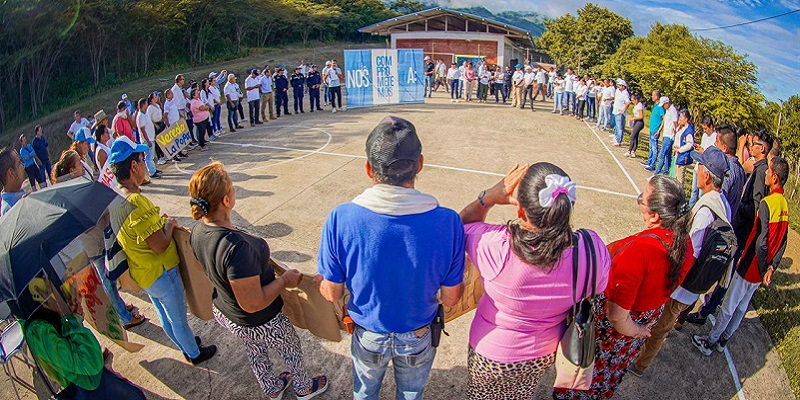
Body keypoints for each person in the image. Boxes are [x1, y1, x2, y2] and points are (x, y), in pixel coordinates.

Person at [316, 116, 465, 400]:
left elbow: (332, 292)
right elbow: (451, 298)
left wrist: (321, 282)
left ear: (369, 169)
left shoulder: (341, 217)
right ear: (420, 163)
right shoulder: (448, 221)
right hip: (418, 332)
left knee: (364, 392)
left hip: (368, 331)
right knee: (411, 393)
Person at [459, 163, 610, 399]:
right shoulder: (592, 251)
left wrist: (488, 198)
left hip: (491, 351)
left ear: (520, 211)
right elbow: (598, 286)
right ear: (568, 206)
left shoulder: (495, 246)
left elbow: (461, 227)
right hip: (544, 352)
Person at [186, 163, 329, 399]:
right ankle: (303, 388)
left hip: (227, 312)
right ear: (225, 200)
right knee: (289, 345)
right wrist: (283, 281)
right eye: (231, 187)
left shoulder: (198, 231)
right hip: (258, 318)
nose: (234, 191)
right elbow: (252, 303)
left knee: (255, 347)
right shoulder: (236, 248)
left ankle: (272, 389)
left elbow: (200, 266)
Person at [553, 175, 692, 400]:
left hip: (618, 328)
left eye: (643, 199)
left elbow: (617, 315)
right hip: (641, 322)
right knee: (610, 374)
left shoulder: (640, 251)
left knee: (586, 370)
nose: (639, 202)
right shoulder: (684, 242)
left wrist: (637, 330)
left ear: (655, 216)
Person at [109, 137, 217, 365]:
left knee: (164, 315)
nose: (144, 163)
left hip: (144, 273)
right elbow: (159, 244)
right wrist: (168, 225)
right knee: (177, 318)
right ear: (133, 167)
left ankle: (184, 344)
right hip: (162, 272)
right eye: (141, 159)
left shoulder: (116, 199)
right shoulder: (136, 201)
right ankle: (194, 353)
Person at [629, 147, 731, 376]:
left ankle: (640, 364)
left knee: (659, 328)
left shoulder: (705, 211)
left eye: (700, 165)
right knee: (665, 322)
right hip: (696, 287)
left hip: (682, 287)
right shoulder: (723, 204)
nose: (696, 168)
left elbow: (690, 254)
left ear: (706, 175)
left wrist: (669, 282)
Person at [692, 156, 789, 355]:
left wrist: (761, 267)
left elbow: (761, 242)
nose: (767, 175)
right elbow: (783, 241)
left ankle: (710, 342)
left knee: (729, 306)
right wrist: (771, 267)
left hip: (751, 265)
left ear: (776, 178)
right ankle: (724, 340)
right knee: (742, 306)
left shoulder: (767, 204)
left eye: (769, 172)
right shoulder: (784, 205)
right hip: (762, 268)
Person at [21, 278, 147, 399]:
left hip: (94, 383)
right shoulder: (39, 331)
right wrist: (72, 321)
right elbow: (89, 363)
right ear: (40, 298)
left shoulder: (47, 321)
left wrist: (73, 318)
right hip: (90, 388)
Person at [684, 126, 747, 324]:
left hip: (707, 243)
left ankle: (682, 315)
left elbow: (694, 251)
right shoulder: (739, 170)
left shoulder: (722, 179)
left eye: (717, 144)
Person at [688, 116, 718, 206]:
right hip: (698, 166)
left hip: (706, 169)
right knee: (694, 190)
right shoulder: (705, 136)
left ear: (711, 126)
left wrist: (703, 152)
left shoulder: (716, 138)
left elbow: (713, 155)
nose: (704, 131)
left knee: (701, 193)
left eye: (706, 128)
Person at [136, 98, 161, 179]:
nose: (147, 105)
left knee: (151, 156)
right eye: (146, 104)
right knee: (148, 157)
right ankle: (151, 172)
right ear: (143, 105)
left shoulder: (144, 113)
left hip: (150, 137)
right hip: (147, 140)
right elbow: (142, 130)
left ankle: (153, 169)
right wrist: (147, 140)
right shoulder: (140, 116)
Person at [653, 97, 679, 175]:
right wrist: (659, 131)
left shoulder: (673, 111)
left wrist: (676, 131)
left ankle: (657, 173)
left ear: (667, 103)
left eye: (664, 105)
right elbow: (664, 121)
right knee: (667, 155)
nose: (663, 107)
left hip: (670, 136)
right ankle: (665, 172)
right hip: (666, 134)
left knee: (662, 154)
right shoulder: (667, 110)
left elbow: (675, 123)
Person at [643, 91, 666, 171]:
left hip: (656, 130)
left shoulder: (660, 107)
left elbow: (664, 119)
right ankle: (649, 161)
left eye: (653, 95)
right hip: (652, 129)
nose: (652, 97)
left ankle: (653, 165)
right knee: (651, 146)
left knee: (654, 148)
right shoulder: (656, 105)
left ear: (657, 96)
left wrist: (659, 130)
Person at [0, 146, 26, 215]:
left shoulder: (18, 197)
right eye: (19, 163)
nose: (23, 166)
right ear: (11, 173)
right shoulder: (10, 211)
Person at [612, 79, 631, 146]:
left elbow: (628, 103)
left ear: (623, 86)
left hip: (620, 112)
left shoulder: (625, 93)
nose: (618, 86)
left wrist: (623, 110)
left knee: (620, 127)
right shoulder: (618, 91)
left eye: (620, 85)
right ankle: (616, 137)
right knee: (617, 126)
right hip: (616, 110)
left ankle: (619, 141)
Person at [626, 94, 645, 158]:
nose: (632, 102)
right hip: (636, 122)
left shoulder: (639, 105)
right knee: (635, 136)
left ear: (636, 100)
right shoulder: (636, 105)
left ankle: (630, 150)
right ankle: (633, 150)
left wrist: (633, 118)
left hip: (639, 122)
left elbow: (641, 116)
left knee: (632, 136)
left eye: (633, 100)